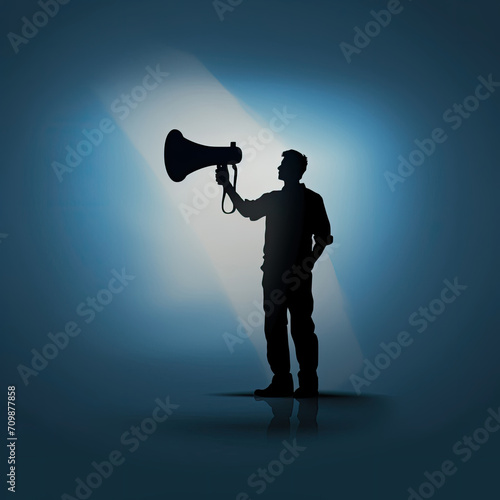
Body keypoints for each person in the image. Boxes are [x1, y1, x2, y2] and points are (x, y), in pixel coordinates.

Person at [216, 150, 333, 397]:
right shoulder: (305, 199)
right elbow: (322, 238)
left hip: (282, 275)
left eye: (282, 165)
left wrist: (228, 186)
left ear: (294, 170)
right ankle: (296, 382)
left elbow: (248, 210)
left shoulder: (290, 199)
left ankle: (293, 382)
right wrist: (308, 264)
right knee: (283, 327)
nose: (278, 168)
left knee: (291, 327)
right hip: (286, 275)